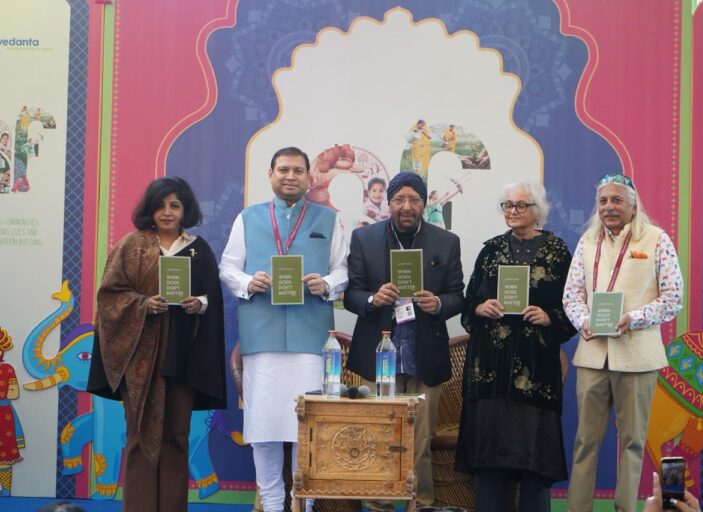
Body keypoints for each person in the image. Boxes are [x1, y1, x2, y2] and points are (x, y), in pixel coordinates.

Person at [219, 146, 348, 512]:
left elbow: (344, 270)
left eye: (297, 171)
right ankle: (273, 505)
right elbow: (227, 267)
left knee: (305, 427)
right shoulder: (248, 217)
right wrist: (248, 282)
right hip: (262, 337)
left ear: (309, 177)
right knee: (263, 427)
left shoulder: (328, 219)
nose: (290, 176)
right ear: (270, 174)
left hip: (311, 340)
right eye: (283, 170)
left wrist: (325, 283)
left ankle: (302, 506)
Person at [87, 177, 227, 512]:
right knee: (138, 439)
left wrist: (200, 303)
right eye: (161, 205)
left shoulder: (198, 248)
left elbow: (214, 299)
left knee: (176, 438)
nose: (167, 212)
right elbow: (109, 297)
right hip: (140, 362)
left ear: (185, 210)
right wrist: (142, 304)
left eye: (175, 205)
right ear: (151, 208)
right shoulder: (132, 246)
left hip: (183, 357)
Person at [343, 171, 464, 510]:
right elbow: (351, 294)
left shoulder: (446, 241)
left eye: (414, 200)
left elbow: (458, 295)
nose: (406, 206)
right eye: (399, 200)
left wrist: (438, 303)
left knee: (420, 439)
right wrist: (372, 299)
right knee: (378, 435)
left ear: (424, 203)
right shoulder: (363, 238)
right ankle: (380, 506)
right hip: (377, 354)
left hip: (425, 355)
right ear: (388, 202)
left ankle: (421, 504)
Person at [564, 173, 684, 512]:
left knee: (632, 442)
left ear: (633, 205)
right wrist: (582, 320)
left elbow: (674, 298)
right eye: (603, 201)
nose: (609, 207)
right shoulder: (587, 241)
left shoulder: (656, 239)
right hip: (592, 356)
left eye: (617, 200)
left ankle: (626, 509)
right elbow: (571, 295)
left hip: (638, 356)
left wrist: (635, 318)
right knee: (585, 441)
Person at [455, 182, 576, 511]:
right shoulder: (491, 250)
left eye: (519, 206)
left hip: (535, 371)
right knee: (490, 460)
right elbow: (469, 304)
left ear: (537, 210)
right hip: (490, 372)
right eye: (506, 205)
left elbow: (576, 307)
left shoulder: (557, 251)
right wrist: (481, 308)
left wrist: (550, 317)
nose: (512, 211)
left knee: (534, 460)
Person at [0, 329, 24, 497]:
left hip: (3, 414)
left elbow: (14, 393)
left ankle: (6, 489)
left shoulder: (7, 369)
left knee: (4, 455)